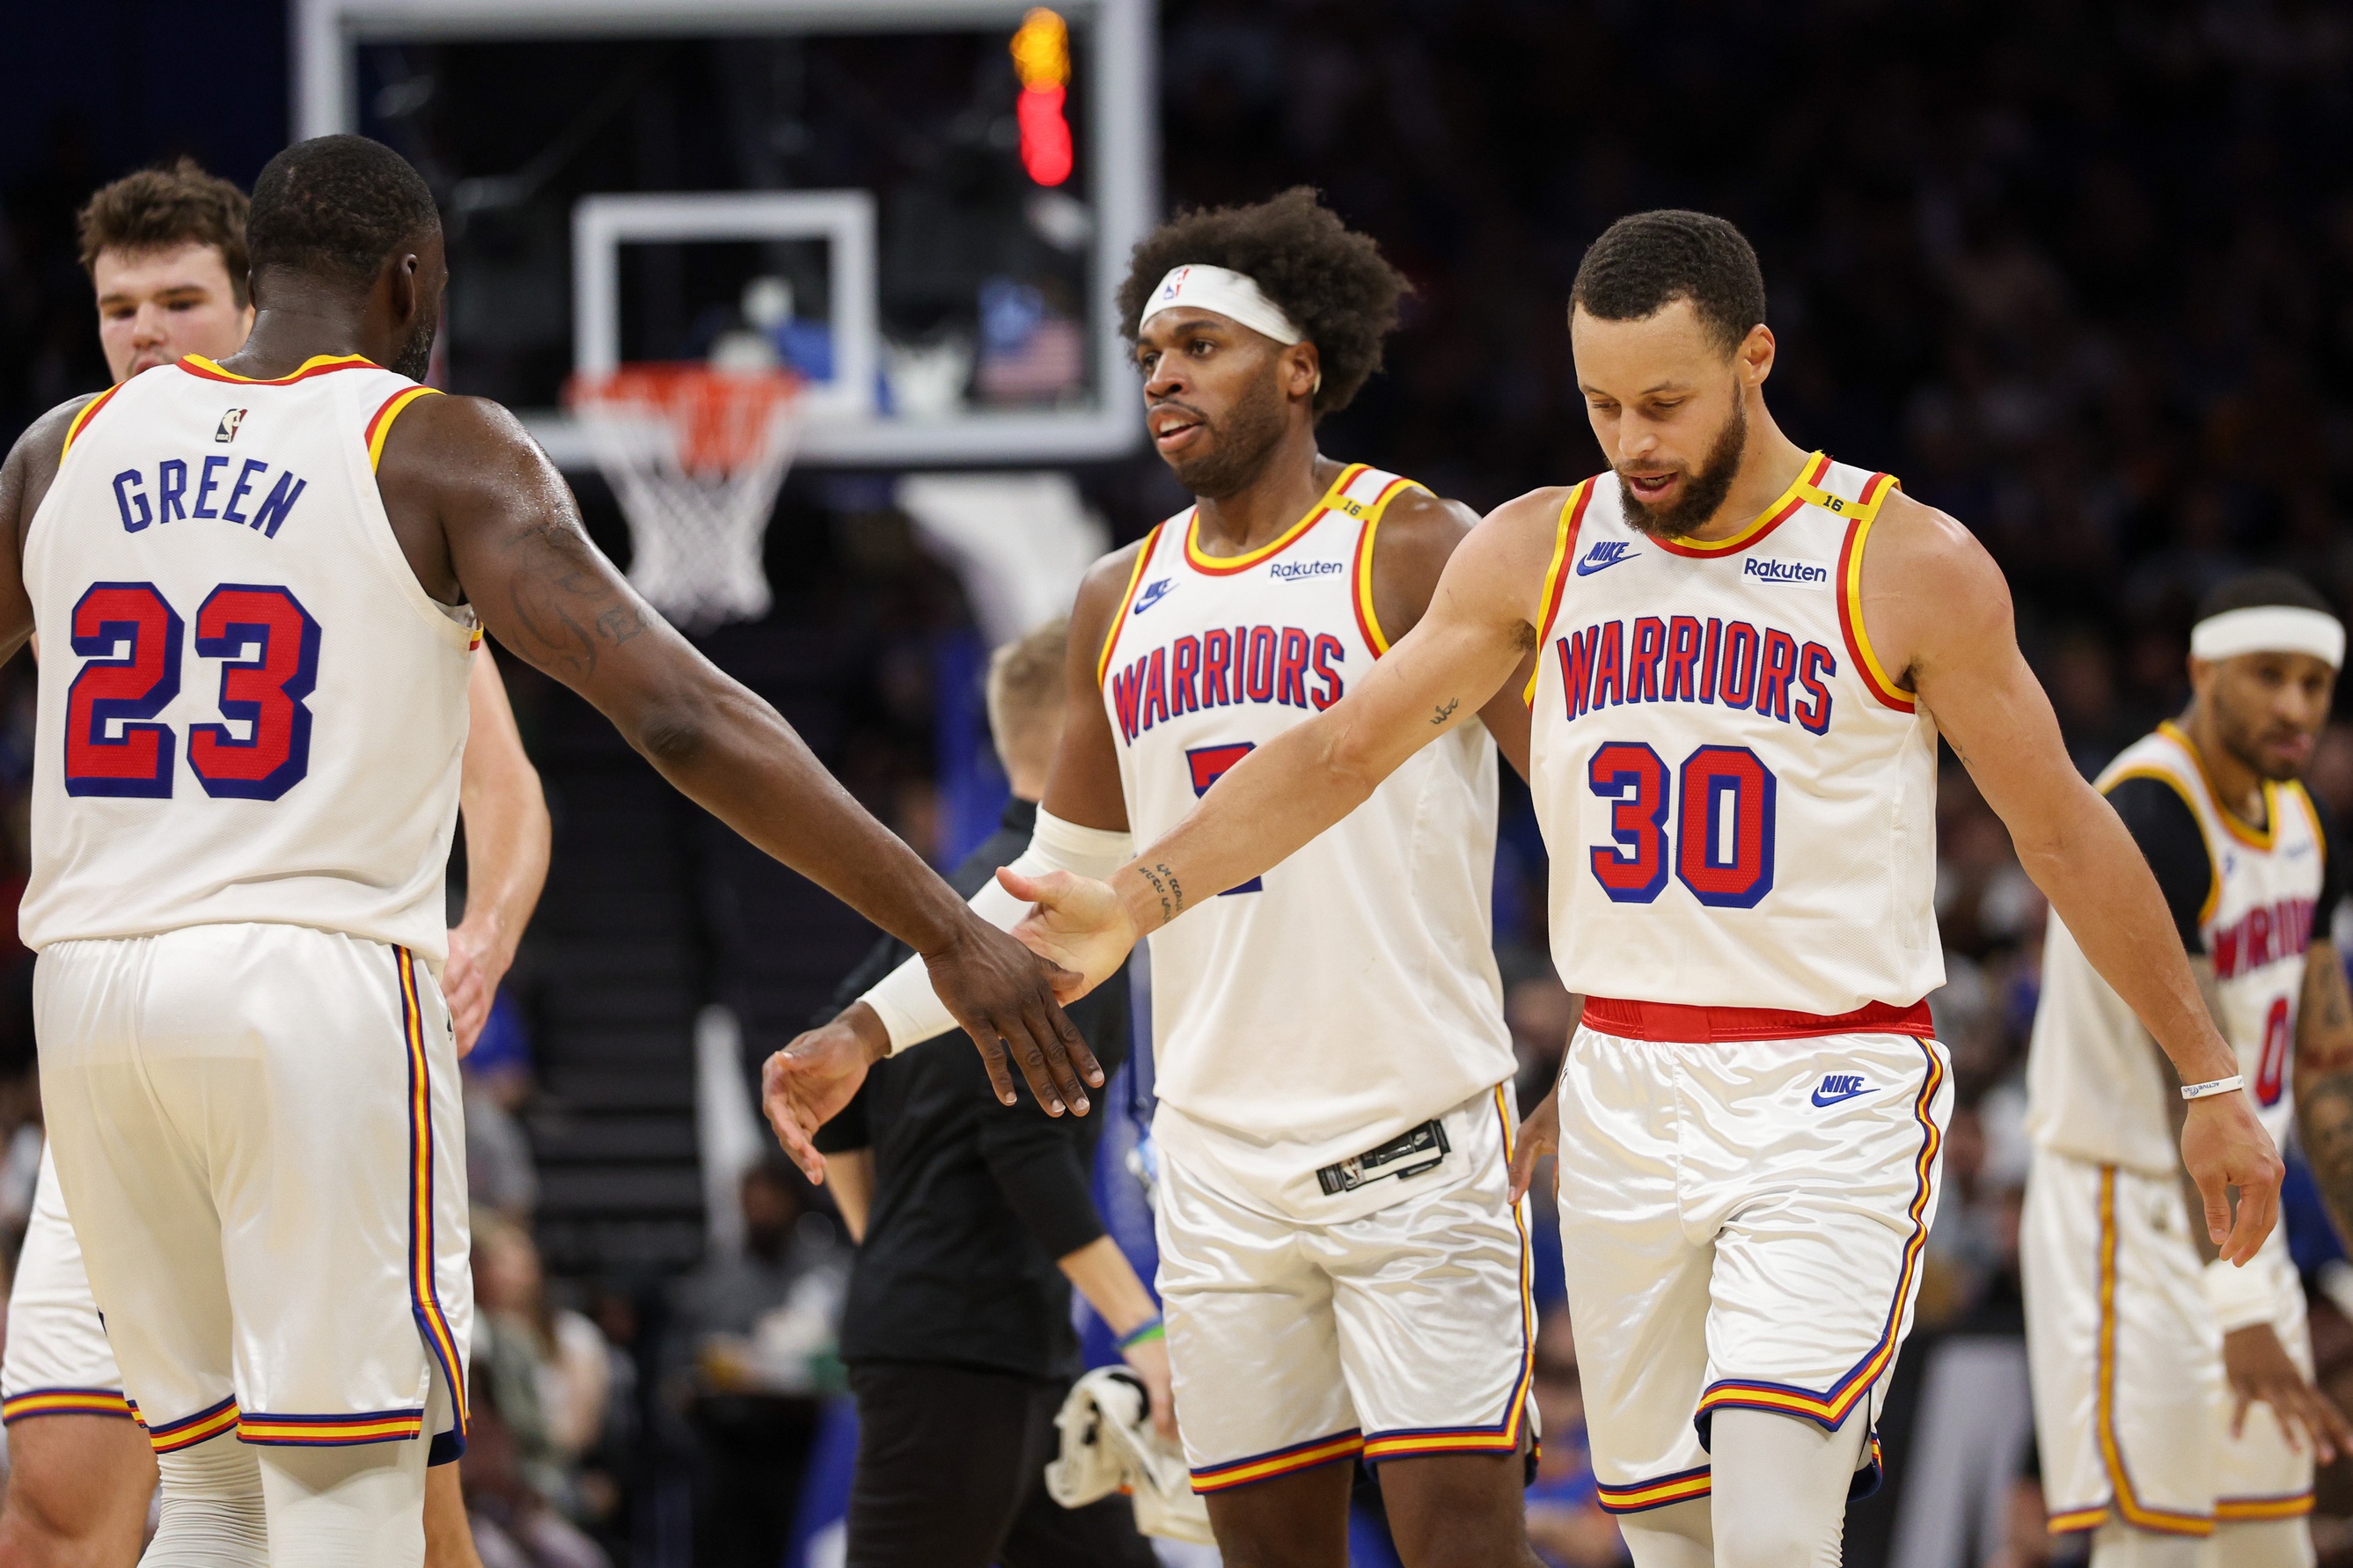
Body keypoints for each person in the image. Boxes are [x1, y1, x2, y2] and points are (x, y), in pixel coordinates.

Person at [998, 208, 2283, 1566]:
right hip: (1623, 1087)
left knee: (1776, 1529)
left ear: (1754, 360)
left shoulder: (1903, 559)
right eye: (1601, 405)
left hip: (1827, 1086)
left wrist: (2206, 1077)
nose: (1633, 443)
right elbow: (1337, 745)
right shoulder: (1536, 548)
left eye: (1663, 402)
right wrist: (1138, 896)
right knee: (1666, 1533)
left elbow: (2067, 833)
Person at [0, 132, 1088, 1567]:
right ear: (409, 280)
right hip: (304, 984)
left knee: (206, 1492)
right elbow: (685, 719)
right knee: (346, 1498)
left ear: (252, 279)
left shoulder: (60, 446)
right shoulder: (425, 440)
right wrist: (945, 927)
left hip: (89, 999)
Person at [766, 187, 1544, 1568]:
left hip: (1414, 1140)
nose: (1162, 375)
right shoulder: (1116, 594)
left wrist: (1612, 1024)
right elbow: (1055, 882)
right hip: (1213, 1165)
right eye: (1146, 353)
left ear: (1300, 366)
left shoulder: (1415, 543)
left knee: (1463, 1546)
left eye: (1199, 344)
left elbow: (1586, 803)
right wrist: (864, 1029)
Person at [0, 158, 551, 1568]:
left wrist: (482, 927)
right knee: (82, 1499)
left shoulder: (364, 477)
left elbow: (503, 782)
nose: (144, 332)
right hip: (156, 1009)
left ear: (254, 302)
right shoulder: (76, 461)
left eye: (178, 299)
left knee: (370, 1503)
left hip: (280, 1005)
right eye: (118, 306)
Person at [772, 618, 1162, 1568]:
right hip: (960, 1345)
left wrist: (888, 1241)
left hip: (994, 1337)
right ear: (1099, 730)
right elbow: (1027, 1146)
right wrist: (1144, 1331)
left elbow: (836, 1079)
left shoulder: (953, 895)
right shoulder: (1058, 913)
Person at [2023, 572, 2353, 1566]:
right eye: (2267, 677)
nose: (2295, 706)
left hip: (2238, 1218)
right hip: (2127, 1208)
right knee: (2152, 1540)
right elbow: (2193, 1085)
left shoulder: (2304, 824)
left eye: (2313, 683)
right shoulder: (2149, 813)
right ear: (2201, 671)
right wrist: (2241, 1306)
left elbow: (2326, 1067)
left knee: (2268, 1538)